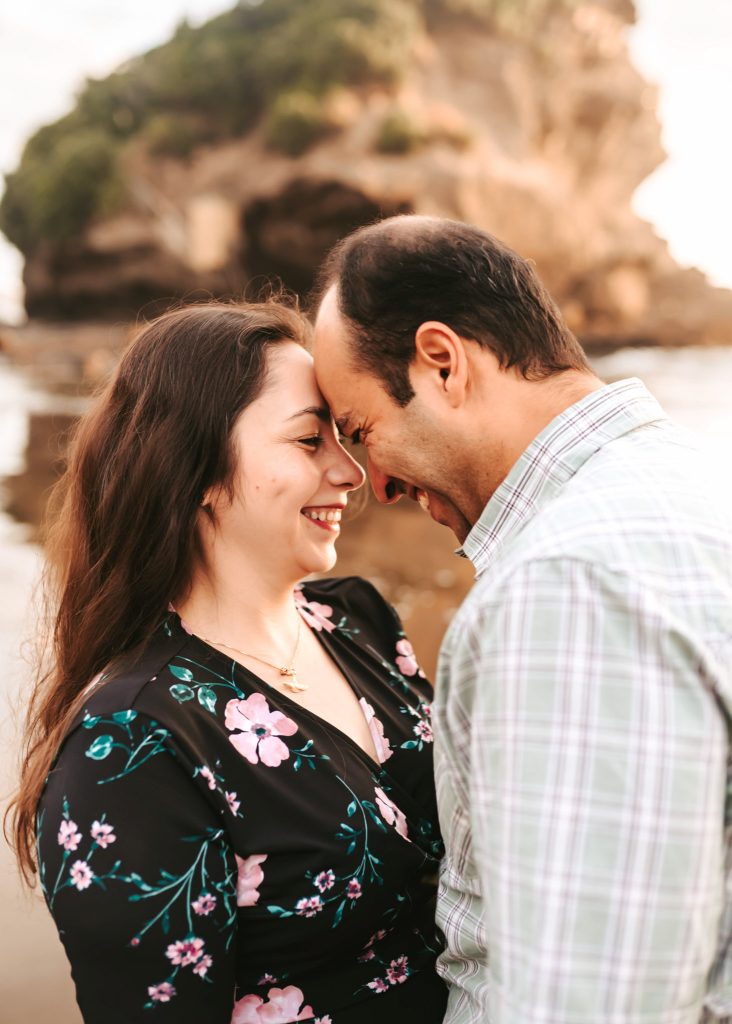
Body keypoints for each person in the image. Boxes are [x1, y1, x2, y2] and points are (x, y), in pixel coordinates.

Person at [312, 215, 732, 1024]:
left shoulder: (565, 590)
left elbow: (594, 1004)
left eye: (363, 431)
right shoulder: (688, 485)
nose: (379, 487)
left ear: (442, 363)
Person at [8, 301, 447, 1023]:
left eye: (341, 435)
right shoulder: (130, 747)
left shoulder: (356, 618)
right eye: (310, 440)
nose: (350, 469)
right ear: (200, 470)